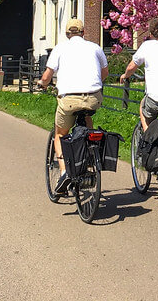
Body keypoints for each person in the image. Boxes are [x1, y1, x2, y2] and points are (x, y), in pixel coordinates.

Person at [40, 18, 108, 195]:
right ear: (84, 32)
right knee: (87, 117)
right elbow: (105, 72)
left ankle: (64, 172)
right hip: (93, 98)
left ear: (67, 34)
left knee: (60, 134)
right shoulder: (95, 47)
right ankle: (92, 154)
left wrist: (42, 84)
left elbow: (48, 75)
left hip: (69, 100)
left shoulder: (60, 48)